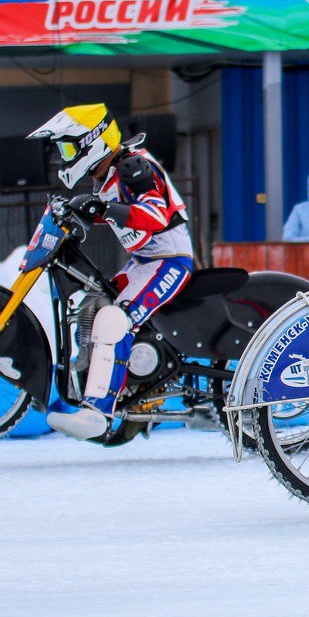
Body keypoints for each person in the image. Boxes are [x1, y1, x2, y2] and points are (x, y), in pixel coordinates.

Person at [27, 104, 192, 441]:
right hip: (143, 261)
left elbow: (154, 215)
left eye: (69, 148)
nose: (65, 157)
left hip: (169, 259)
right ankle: (92, 384)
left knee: (115, 319)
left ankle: (98, 413)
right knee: (92, 307)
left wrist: (103, 208)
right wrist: (81, 211)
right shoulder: (108, 174)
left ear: (93, 142)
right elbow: (117, 212)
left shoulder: (133, 166)